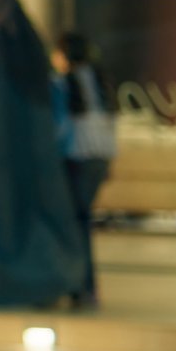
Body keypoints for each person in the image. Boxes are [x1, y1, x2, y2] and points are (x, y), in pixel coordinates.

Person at [0, 0, 91, 309]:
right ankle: (54, 283)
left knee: (0, 226)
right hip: (39, 156)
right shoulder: (33, 50)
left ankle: (6, 289)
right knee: (39, 222)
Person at [56, 30, 114, 298]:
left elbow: (61, 127)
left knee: (75, 221)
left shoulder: (65, 82)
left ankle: (80, 284)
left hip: (76, 156)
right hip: (101, 156)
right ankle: (85, 284)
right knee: (82, 219)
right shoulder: (99, 80)